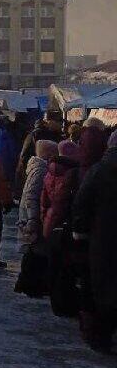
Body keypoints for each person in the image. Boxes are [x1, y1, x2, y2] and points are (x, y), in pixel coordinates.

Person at [72, 129, 117, 354]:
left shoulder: (99, 170)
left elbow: (82, 202)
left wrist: (79, 231)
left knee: (103, 284)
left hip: (104, 237)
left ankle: (101, 336)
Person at [42, 140, 84, 318]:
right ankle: (64, 304)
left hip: (51, 222)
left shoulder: (49, 170)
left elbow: (45, 200)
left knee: (57, 267)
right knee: (66, 268)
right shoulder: (72, 174)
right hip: (65, 226)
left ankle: (58, 302)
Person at [14, 140, 58, 298]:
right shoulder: (40, 170)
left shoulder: (38, 168)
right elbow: (32, 196)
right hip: (33, 216)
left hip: (32, 215)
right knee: (35, 250)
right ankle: (29, 284)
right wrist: (32, 218)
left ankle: (28, 283)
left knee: (34, 250)